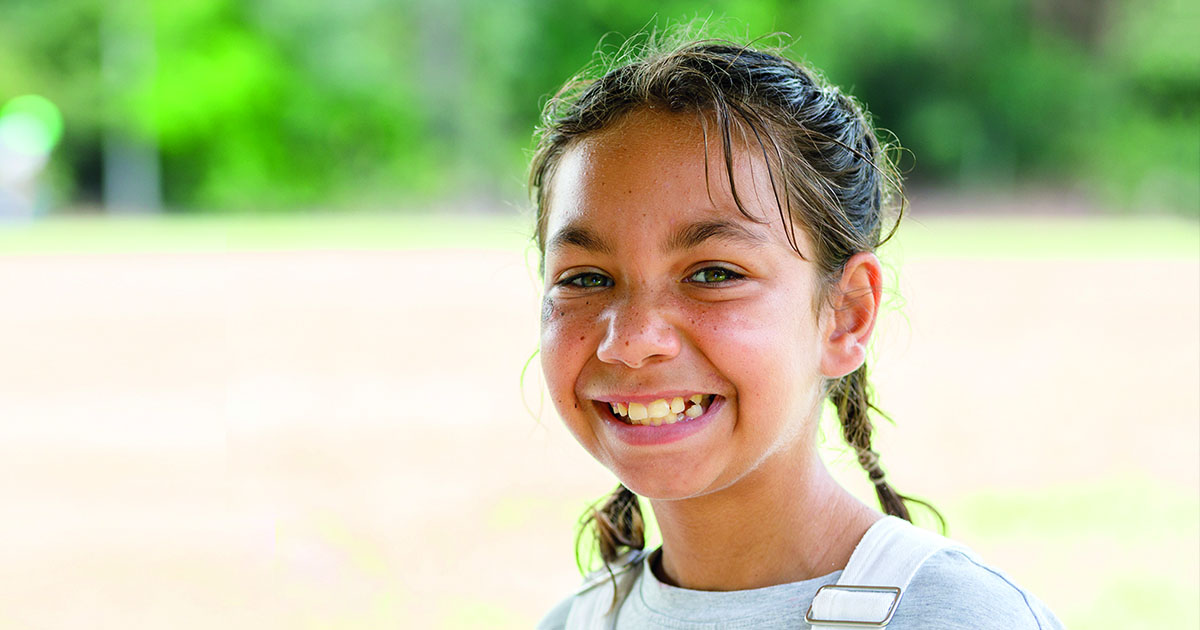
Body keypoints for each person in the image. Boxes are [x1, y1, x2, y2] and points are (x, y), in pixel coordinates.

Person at [529, 35, 1065, 629]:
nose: (630, 339)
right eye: (586, 278)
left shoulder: (956, 619)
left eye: (713, 273)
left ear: (846, 315)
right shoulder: (575, 621)